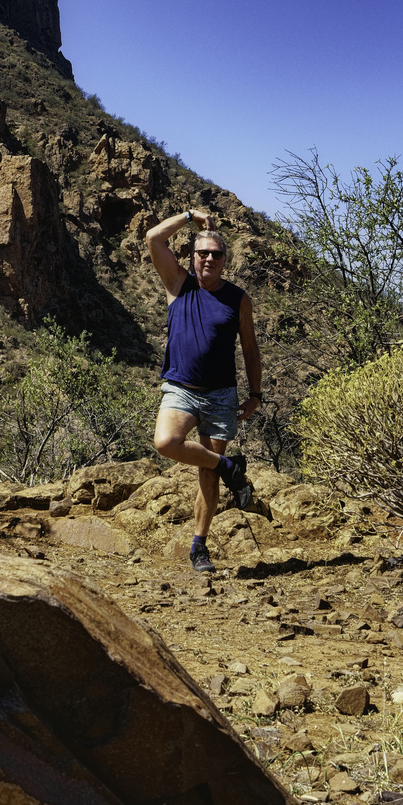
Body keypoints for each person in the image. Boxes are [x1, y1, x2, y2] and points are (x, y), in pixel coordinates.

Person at [146, 209, 262, 574]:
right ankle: (231, 467)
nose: (208, 258)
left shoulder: (238, 299)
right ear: (191, 258)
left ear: (225, 261)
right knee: (166, 442)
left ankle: (199, 546)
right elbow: (153, 239)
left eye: (215, 254)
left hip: (221, 394)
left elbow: (250, 348)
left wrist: (255, 393)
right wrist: (188, 216)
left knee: (207, 474)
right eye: (202, 253)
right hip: (181, 388)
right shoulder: (178, 284)